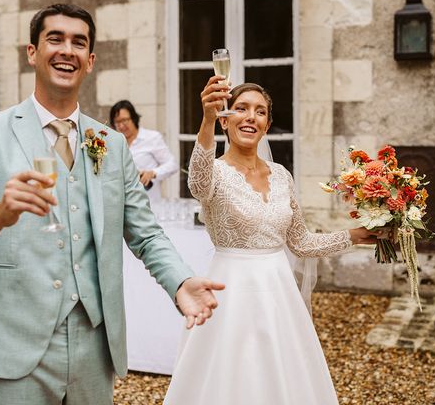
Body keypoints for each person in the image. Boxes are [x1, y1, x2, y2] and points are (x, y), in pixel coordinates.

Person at [0, 4, 224, 405]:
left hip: (94, 354)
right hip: (13, 353)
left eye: (79, 42)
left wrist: (180, 281)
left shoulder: (110, 144)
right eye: (54, 39)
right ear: (32, 52)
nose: (67, 50)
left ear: (90, 60)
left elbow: (145, 233)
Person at [163, 79, 382, 404]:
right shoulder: (214, 174)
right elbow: (196, 182)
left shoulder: (281, 175)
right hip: (230, 292)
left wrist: (355, 236)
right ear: (225, 120)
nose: (251, 117)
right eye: (241, 109)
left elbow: (302, 243)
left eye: (260, 112)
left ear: (266, 125)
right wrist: (206, 119)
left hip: (279, 292)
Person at [109, 100, 178, 203]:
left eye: (125, 120)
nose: (122, 126)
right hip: (121, 204)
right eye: (117, 122)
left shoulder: (152, 137)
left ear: (134, 118)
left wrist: (153, 173)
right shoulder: (113, 143)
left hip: (149, 203)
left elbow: (173, 165)